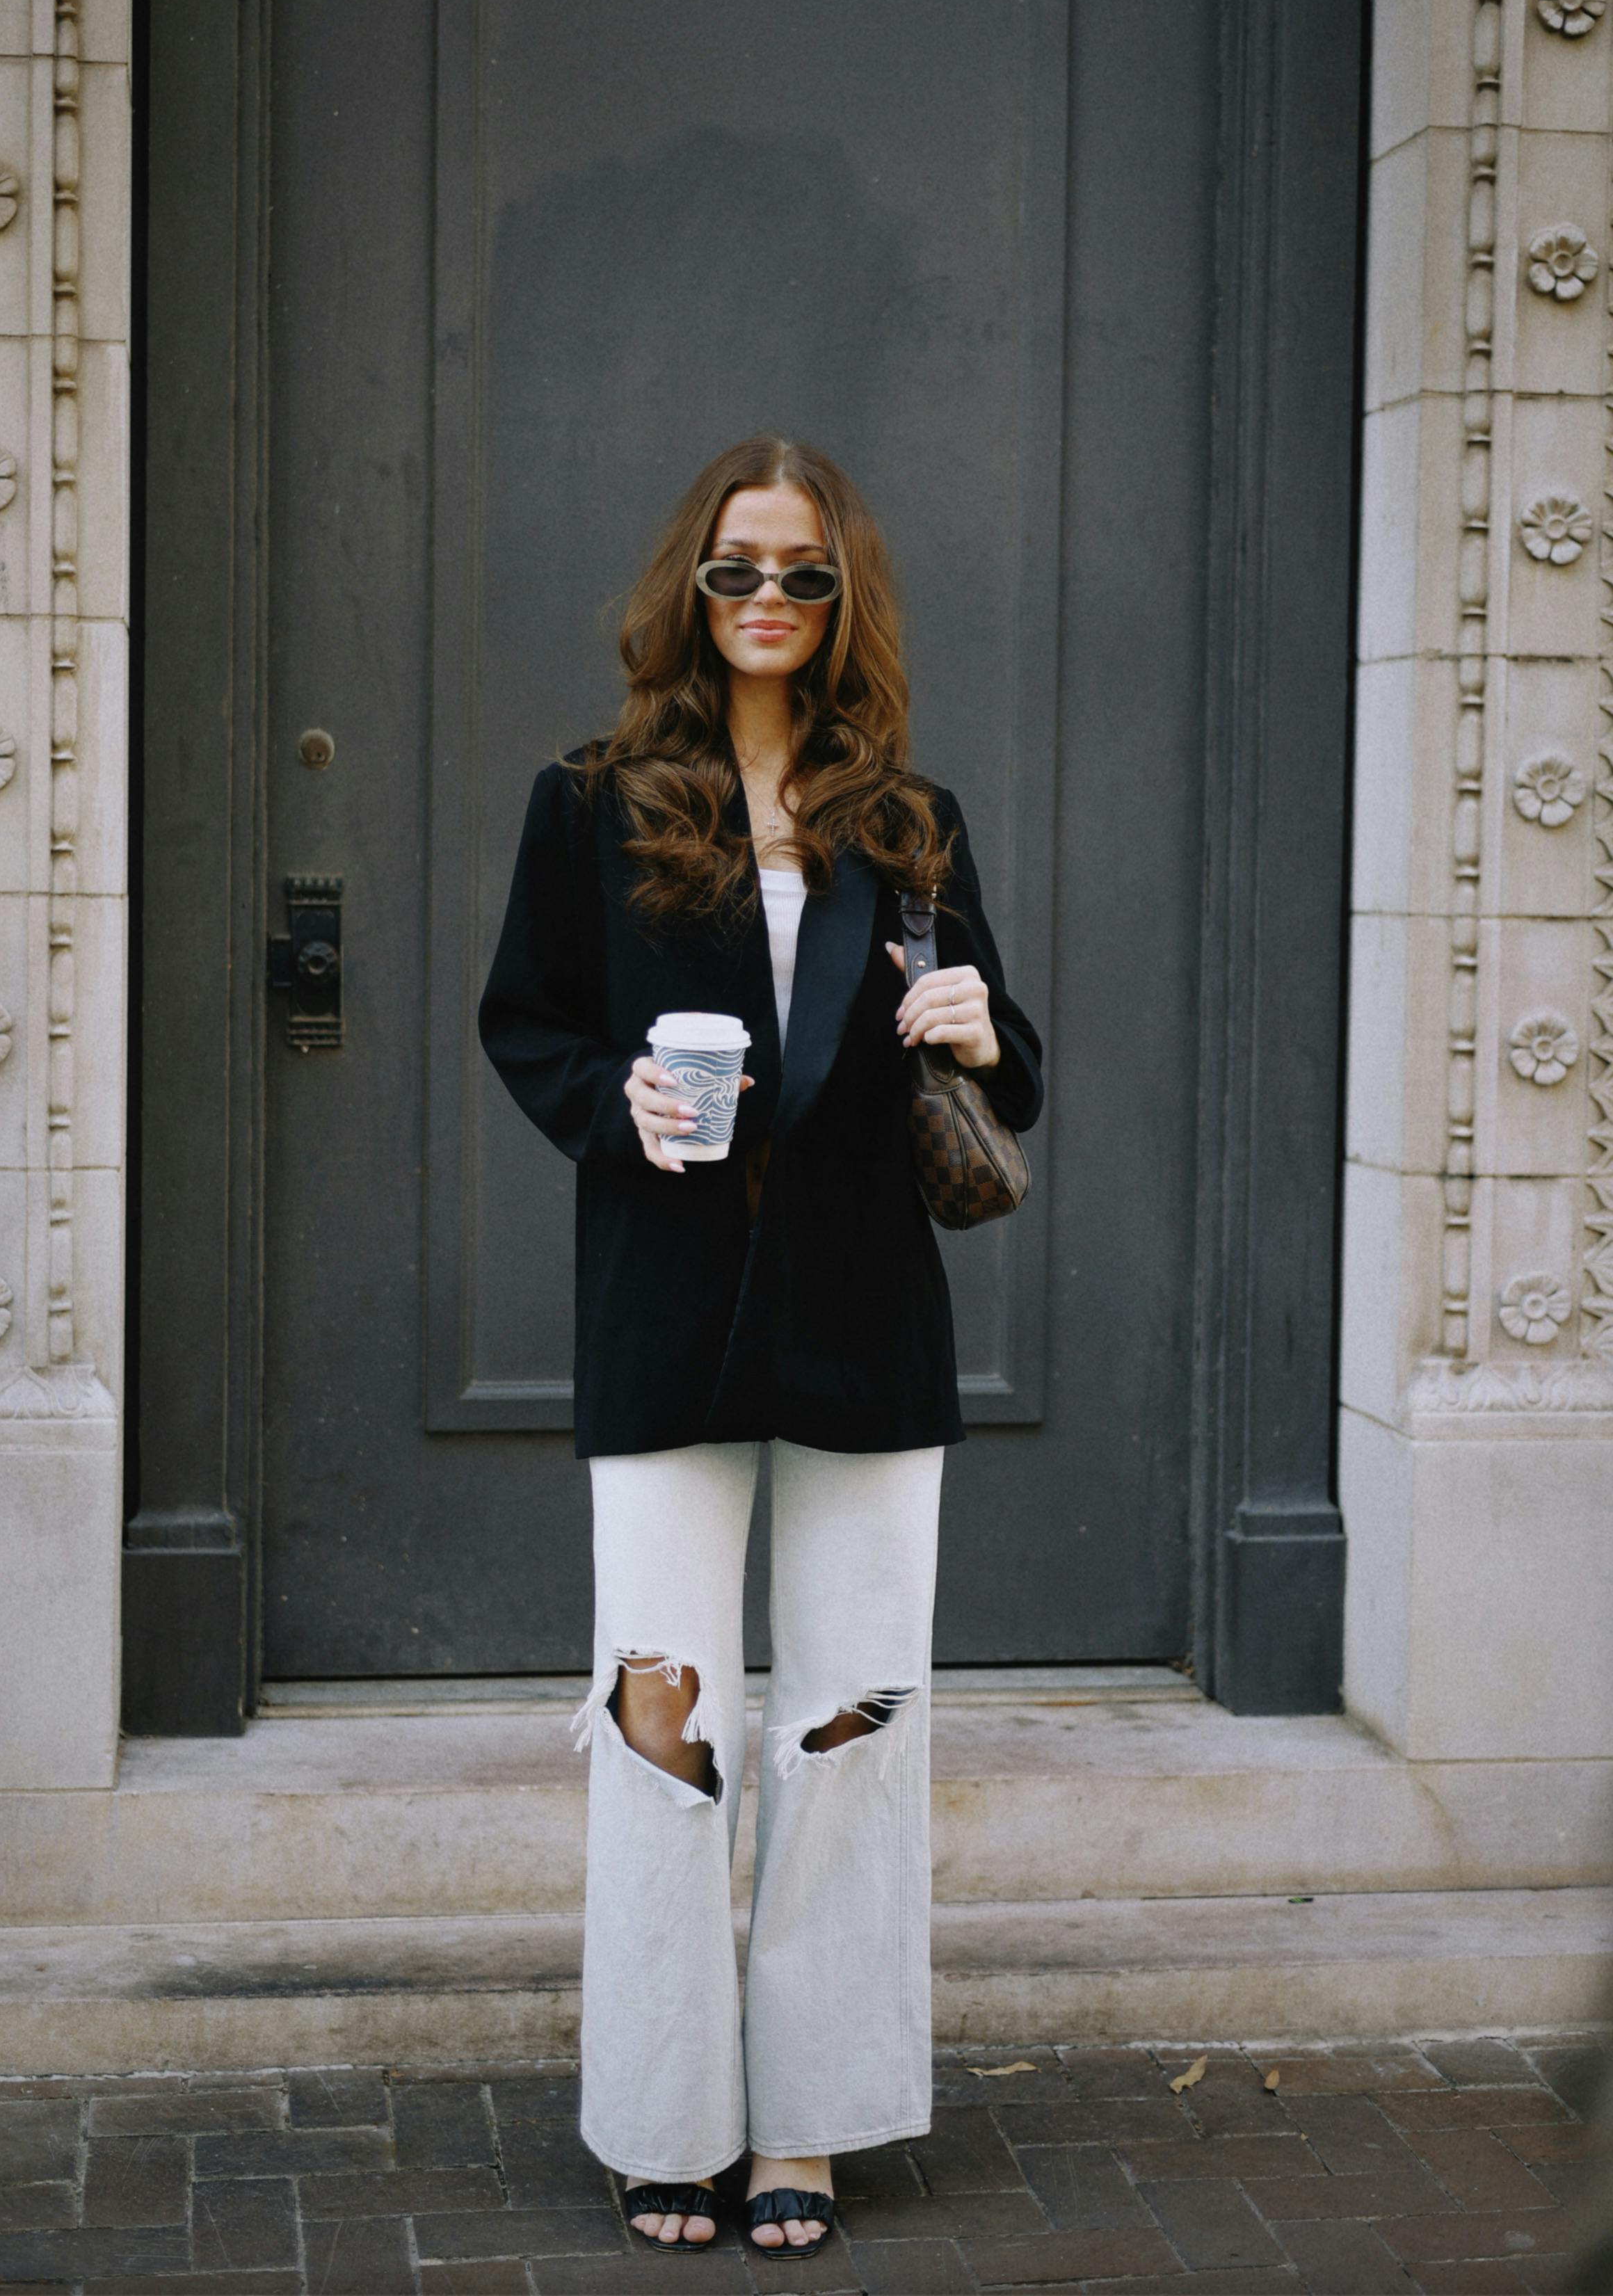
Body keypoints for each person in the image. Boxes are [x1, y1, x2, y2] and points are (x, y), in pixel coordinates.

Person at [479, 435, 1042, 2256]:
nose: (772, 602)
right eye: (740, 570)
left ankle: (806, 2111)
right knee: (666, 1715)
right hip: (663, 1311)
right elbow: (527, 1023)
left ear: (846, 592)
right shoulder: (592, 800)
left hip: (871, 1320)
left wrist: (973, 1022)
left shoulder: (911, 817)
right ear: (692, 589)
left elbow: (1006, 1061)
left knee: (855, 1716)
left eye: (805, 572)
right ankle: (667, 2109)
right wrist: (614, 1098)